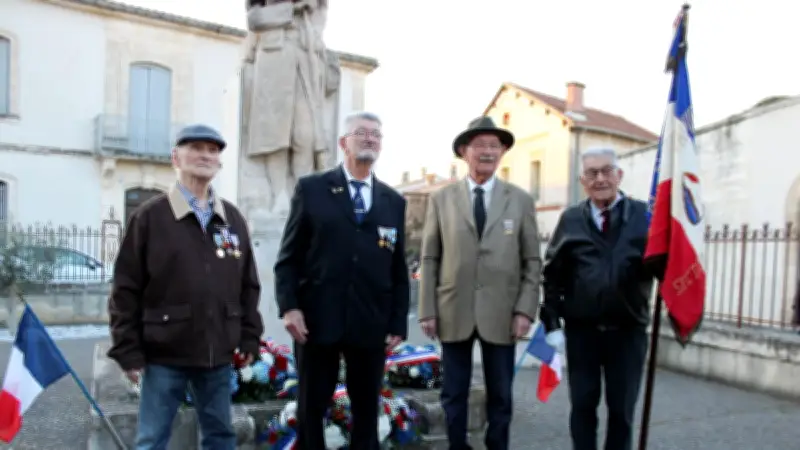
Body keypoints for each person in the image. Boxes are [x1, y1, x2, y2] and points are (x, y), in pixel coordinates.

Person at [108, 124, 264, 450]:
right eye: (195, 148)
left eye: (212, 150)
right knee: (152, 440)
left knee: (221, 436)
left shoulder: (231, 218)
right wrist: (128, 348)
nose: (205, 156)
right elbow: (125, 288)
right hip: (164, 353)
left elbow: (248, 284)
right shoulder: (150, 217)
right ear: (175, 157)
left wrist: (249, 335)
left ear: (219, 162)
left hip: (218, 354)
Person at [274, 111, 409, 449]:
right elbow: (288, 259)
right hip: (318, 320)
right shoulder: (312, 189)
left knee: (366, 408)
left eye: (376, 135)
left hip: (370, 321)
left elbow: (398, 268)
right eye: (361, 133)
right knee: (312, 407)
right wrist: (290, 308)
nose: (369, 139)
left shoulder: (394, 201)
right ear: (343, 142)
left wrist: (397, 322)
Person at [418, 116, 542, 450]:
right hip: (452, 309)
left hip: (503, 313)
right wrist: (427, 309)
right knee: (453, 392)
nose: (487, 151)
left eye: (494, 145)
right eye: (480, 145)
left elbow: (532, 261)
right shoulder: (441, 200)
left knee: (501, 393)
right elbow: (430, 257)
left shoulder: (520, 200)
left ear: (502, 151)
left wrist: (525, 311)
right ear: (464, 151)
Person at [540, 147, 652, 450]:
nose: (600, 178)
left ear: (619, 175)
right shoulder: (571, 219)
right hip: (582, 334)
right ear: (582, 180)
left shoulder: (645, 215)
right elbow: (552, 275)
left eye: (606, 171)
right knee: (583, 407)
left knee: (622, 411)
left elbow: (662, 265)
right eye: (592, 173)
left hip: (628, 333)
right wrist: (551, 324)